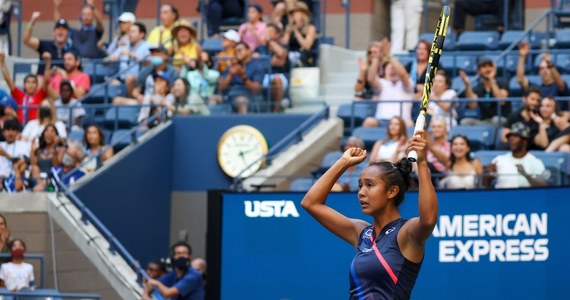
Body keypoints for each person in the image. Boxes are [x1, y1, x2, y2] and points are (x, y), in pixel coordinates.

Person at [301, 129, 438, 299]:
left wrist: (422, 163)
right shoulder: (361, 232)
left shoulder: (406, 233)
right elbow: (310, 203)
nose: (361, 192)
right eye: (360, 185)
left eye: (370, 185)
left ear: (392, 191)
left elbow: (428, 219)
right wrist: (343, 162)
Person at [484, 122, 548, 189]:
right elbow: (485, 186)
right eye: (510, 137)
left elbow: (543, 186)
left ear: (525, 140)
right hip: (501, 197)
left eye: (515, 136)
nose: (511, 139)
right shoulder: (499, 160)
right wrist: (486, 175)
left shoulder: (535, 162)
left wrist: (526, 175)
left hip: (525, 197)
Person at [363, 49, 414, 127]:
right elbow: (370, 79)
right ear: (385, 71)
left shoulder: (408, 83)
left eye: (395, 69)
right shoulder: (382, 83)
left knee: (410, 124)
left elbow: (403, 75)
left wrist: (390, 56)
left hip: (402, 122)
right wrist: (376, 58)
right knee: (369, 122)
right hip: (382, 121)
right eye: (390, 68)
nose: (393, 71)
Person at [113, 45, 178, 106]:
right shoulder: (147, 70)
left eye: (157, 53)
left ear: (165, 56)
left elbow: (174, 92)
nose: (154, 55)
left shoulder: (172, 71)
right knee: (117, 100)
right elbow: (136, 91)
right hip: (145, 101)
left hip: (163, 102)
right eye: (153, 53)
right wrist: (139, 96)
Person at [517, 41, 569, 110]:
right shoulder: (536, 88)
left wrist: (549, 63)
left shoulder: (558, 87)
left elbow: (561, 84)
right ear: (539, 72)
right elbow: (520, 80)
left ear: (552, 69)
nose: (545, 71)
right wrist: (522, 56)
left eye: (547, 68)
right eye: (542, 68)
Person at [460, 56, 510, 126]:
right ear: (478, 71)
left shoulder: (503, 82)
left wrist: (492, 80)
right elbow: (472, 105)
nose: (488, 69)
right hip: (485, 121)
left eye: (490, 66)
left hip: (502, 119)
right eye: (484, 66)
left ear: (494, 68)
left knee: (496, 120)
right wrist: (467, 85)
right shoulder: (478, 88)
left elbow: (501, 100)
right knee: (465, 122)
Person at [0, 52, 48, 123]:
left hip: (34, 127)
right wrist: (2, 63)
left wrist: (48, 63)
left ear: (37, 85)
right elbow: (8, 80)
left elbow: (46, 80)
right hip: (19, 126)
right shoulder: (19, 95)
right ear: (24, 85)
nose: (30, 85)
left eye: (33, 82)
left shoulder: (40, 95)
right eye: (28, 82)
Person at [218, 42, 264, 114]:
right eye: (235, 52)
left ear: (248, 51)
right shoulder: (232, 67)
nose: (237, 53)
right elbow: (221, 88)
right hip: (230, 96)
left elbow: (256, 90)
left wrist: (243, 76)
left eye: (240, 50)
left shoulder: (257, 66)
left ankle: (243, 124)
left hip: (249, 97)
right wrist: (230, 74)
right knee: (212, 99)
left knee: (241, 101)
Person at [107, 22, 151, 97]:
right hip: (122, 79)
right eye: (129, 32)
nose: (130, 34)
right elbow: (108, 59)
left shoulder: (148, 47)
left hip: (139, 79)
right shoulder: (124, 46)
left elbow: (148, 63)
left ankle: (131, 100)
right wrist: (111, 57)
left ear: (142, 34)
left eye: (133, 32)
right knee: (111, 82)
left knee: (129, 79)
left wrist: (131, 54)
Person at [29, 124, 65, 192]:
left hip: (52, 178)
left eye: (52, 131)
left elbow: (56, 165)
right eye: (47, 131)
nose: (49, 133)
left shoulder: (60, 149)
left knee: (43, 186)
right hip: (39, 179)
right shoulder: (39, 150)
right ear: (43, 134)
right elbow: (33, 164)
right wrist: (33, 151)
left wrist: (54, 146)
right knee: (35, 169)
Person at [281, 1, 317, 67]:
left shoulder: (310, 28)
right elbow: (284, 43)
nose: (293, 15)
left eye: (295, 13)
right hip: (291, 56)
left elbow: (307, 46)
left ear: (303, 14)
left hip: (305, 57)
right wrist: (287, 32)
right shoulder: (289, 27)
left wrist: (296, 31)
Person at [0, 119, 30, 187]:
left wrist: (6, 155)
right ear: (3, 132)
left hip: (16, 177)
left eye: (13, 130)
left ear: (17, 133)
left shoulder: (23, 145)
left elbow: (25, 160)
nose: (10, 133)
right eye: (7, 130)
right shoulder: (1, 144)